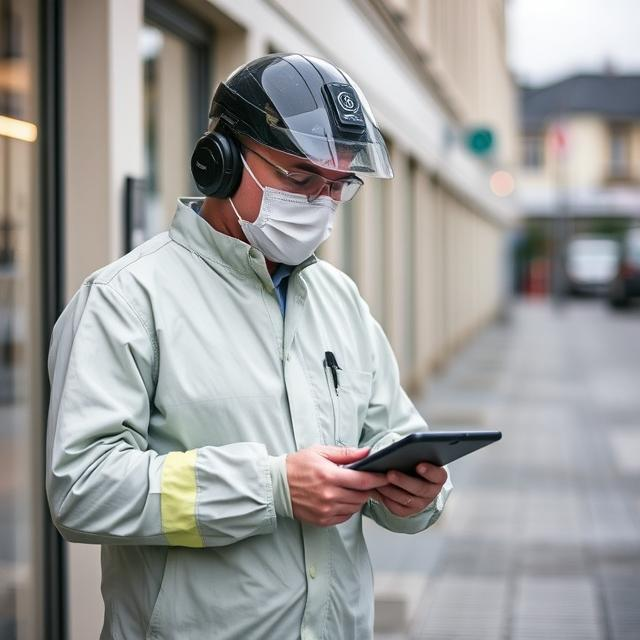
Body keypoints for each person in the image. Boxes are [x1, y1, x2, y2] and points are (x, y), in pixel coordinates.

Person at [46, 53, 453, 640]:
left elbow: (391, 433)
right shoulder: (126, 300)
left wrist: (412, 497)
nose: (321, 201)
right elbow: (81, 489)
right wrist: (272, 487)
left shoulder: (339, 298)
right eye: (300, 177)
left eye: (339, 184)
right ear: (220, 161)